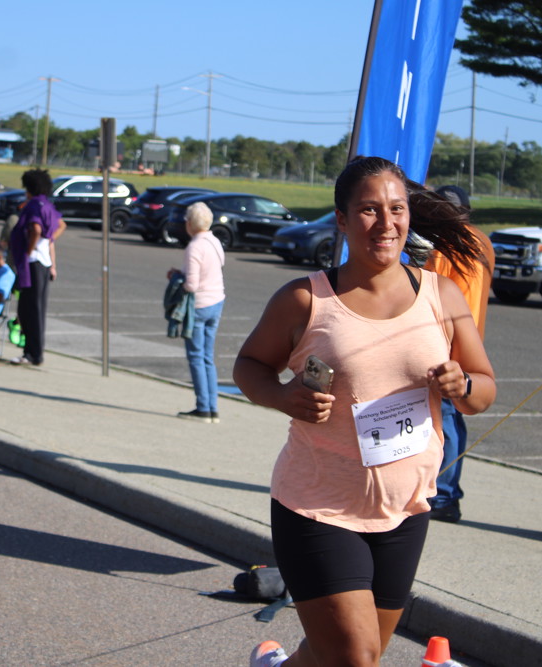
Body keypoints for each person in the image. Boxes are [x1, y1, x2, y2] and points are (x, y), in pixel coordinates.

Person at [234, 157, 496, 667]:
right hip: (318, 506)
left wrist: (461, 384)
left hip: (404, 508)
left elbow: (483, 389)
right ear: (342, 219)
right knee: (356, 656)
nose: (386, 223)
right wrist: (283, 396)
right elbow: (249, 366)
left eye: (396, 209)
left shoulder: (440, 295)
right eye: (369, 210)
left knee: (350, 654)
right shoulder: (306, 299)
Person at [424, 185, 495, 523]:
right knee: (453, 415)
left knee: (447, 416)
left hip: (447, 341)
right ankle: (446, 491)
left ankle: (444, 494)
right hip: (469, 339)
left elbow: (432, 293)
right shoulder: (482, 242)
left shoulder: (447, 244)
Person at [168, 201, 226, 423]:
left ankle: (203, 407)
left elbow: (191, 285)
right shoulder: (214, 241)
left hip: (199, 305)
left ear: (191, 223)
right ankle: (212, 407)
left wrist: (176, 278)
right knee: (207, 357)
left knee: (196, 357)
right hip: (217, 301)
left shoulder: (194, 246)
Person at [8, 169, 66, 366]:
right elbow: (61, 224)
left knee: (28, 309)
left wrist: (28, 250)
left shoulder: (33, 205)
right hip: (44, 262)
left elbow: (35, 228)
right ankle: (34, 351)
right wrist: (49, 239)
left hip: (33, 262)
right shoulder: (47, 205)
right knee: (37, 308)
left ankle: (32, 353)